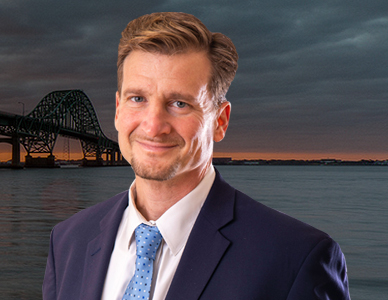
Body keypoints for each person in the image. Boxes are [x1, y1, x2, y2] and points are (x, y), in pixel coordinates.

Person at [42, 12, 349, 300]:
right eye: (138, 98)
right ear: (119, 109)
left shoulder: (296, 257)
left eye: (179, 104)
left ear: (220, 121)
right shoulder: (68, 241)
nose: (153, 125)